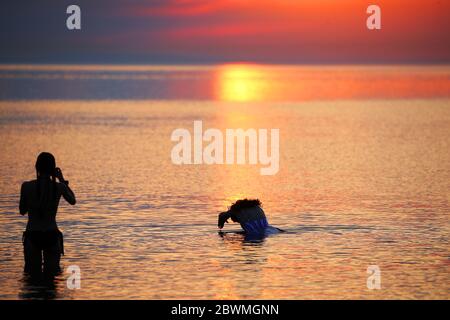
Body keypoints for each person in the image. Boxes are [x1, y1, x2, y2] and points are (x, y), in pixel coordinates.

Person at [19, 152, 76, 276]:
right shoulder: (59, 187)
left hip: (32, 234)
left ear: (37, 167)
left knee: (31, 276)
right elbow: (73, 200)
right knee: (52, 277)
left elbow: (22, 211)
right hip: (51, 235)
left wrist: (34, 202)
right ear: (53, 169)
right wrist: (61, 179)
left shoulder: (26, 186)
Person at [218, 199, 283, 236]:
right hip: (274, 230)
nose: (238, 222)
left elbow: (221, 215)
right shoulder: (256, 207)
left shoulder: (236, 210)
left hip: (255, 235)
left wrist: (221, 225)